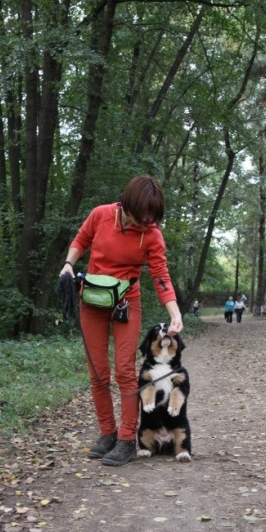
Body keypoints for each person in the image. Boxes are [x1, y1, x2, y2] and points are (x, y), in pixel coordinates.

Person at [59, 175, 182, 467]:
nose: (147, 221)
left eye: (153, 216)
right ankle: (107, 434)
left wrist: (174, 312)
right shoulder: (101, 215)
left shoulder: (151, 234)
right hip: (92, 302)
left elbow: (161, 276)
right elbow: (81, 240)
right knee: (98, 371)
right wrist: (68, 264)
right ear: (128, 205)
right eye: (143, 215)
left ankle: (127, 438)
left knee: (125, 369)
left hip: (127, 303)